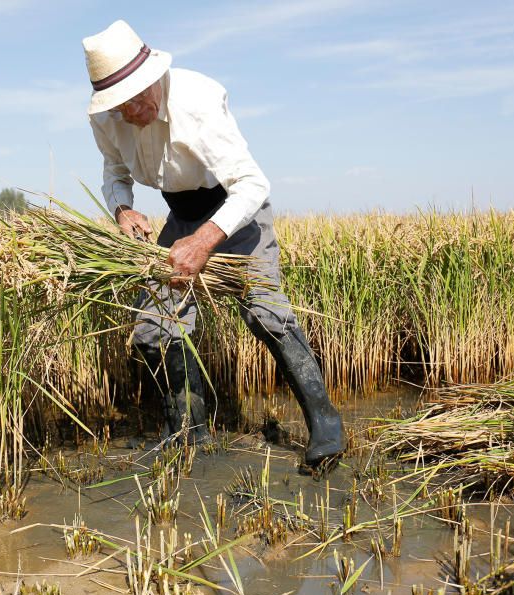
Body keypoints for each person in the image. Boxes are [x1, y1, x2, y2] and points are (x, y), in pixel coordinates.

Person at [82, 20, 343, 467]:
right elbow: (115, 173)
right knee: (153, 329)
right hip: (181, 215)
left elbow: (252, 184)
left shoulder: (197, 102)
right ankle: (189, 429)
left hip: (233, 212)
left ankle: (326, 426)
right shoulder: (109, 120)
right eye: (117, 106)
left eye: (131, 103)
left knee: (266, 314)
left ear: (150, 83)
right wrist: (122, 209)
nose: (125, 114)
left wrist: (205, 242)